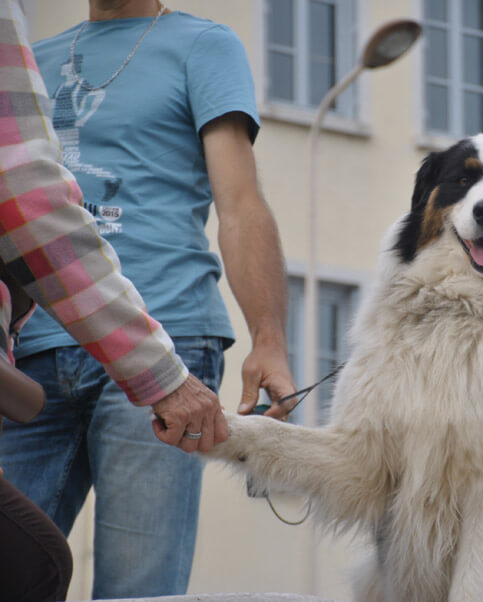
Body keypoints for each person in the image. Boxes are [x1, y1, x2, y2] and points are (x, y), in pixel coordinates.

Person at [0, 0, 296, 598]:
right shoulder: (31, 54)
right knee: (12, 566)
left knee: (139, 593)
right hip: (32, 352)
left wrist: (269, 338)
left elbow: (240, 204)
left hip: (170, 341)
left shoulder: (204, 46)